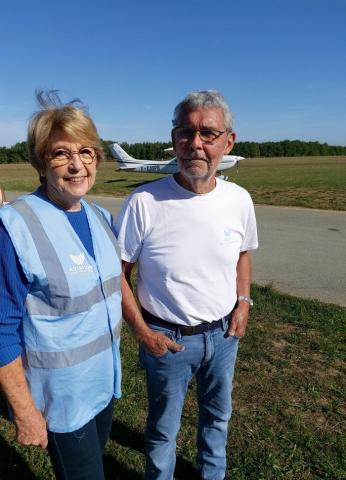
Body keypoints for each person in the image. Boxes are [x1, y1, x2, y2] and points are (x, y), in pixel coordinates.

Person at [114, 90, 258, 480]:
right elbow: (117, 274)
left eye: (208, 134)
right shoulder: (143, 201)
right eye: (185, 132)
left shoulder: (239, 200)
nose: (195, 143)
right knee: (163, 429)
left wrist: (243, 302)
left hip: (225, 336)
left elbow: (242, 255)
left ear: (228, 142)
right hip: (168, 339)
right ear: (175, 137)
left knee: (218, 419)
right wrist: (142, 332)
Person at [0, 90, 122, 480]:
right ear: (40, 162)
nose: (76, 165)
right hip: (61, 401)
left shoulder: (101, 216)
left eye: (86, 152)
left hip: (103, 386)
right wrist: (24, 411)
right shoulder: (15, 227)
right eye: (60, 154)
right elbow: (1, 330)